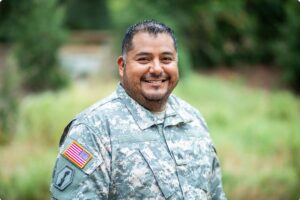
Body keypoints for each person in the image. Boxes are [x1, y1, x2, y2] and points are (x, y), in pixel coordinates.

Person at [50, 20, 227, 200]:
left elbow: (216, 195)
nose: (157, 69)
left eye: (166, 59)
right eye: (144, 59)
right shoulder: (92, 130)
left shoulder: (193, 120)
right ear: (122, 65)